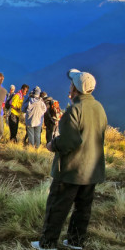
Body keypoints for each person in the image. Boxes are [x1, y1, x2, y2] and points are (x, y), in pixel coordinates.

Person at [31, 69, 107, 250]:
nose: (70, 86)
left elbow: (69, 140)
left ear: (76, 88)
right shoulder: (99, 108)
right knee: (83, 208)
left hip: (71, 170)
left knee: (57, 206)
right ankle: (75, 241)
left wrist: (52, 145)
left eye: (72, 83)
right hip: (92, 170)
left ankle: (48, 243)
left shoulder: (74, 109)